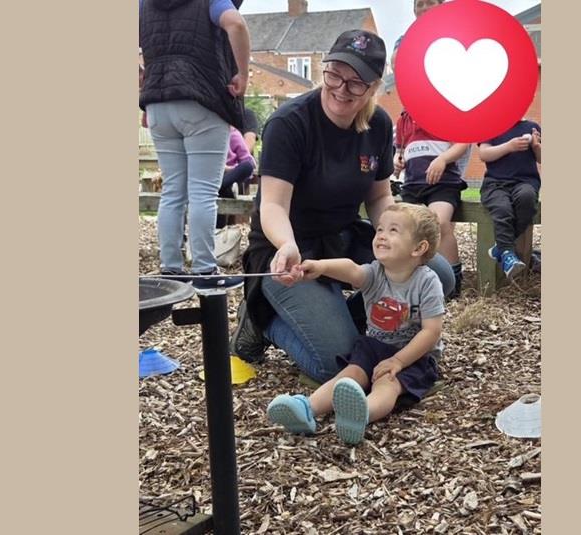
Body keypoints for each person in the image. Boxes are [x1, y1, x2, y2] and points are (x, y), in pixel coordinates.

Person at [230, 29, 455, 382]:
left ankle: (333, 319)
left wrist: (402, 235)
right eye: (334, 73)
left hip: (344, 237)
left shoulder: (378, 124)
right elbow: (272, 205)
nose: (340, 88)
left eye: (356, 82)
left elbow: (379, 197)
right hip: (290, 248)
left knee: (435, 273)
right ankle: (263, 321)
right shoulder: (290, 123)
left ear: (374, 86)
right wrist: (286, 246)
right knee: (334, 366)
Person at [266, 204, 445, 445]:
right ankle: (307, 408)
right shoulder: (375, 273)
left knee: (387, 383)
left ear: (418, 248)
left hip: (413, 356)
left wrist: (398, 361)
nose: (381, 235)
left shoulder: (427, 282)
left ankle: (362, 413)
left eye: (393, 230)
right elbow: (351, 270)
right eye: (379, 228)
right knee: (350, 374)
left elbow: (431, 331)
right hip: (375, 345)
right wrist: (320, 266)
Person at [139, 0, 250, 291]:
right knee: (203, 191)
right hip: (201, 99)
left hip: (158, 103)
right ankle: (205, 271)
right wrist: (243, 74)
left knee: (173, 190)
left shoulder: (144, 4)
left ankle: (171, 270)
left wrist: (144, 81)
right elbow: (236, 24)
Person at [393, 111, 469, 297]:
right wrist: (398, 160)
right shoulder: (403, 120)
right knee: (409, 228)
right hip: (413, 183)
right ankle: (412, 281)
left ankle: (452, 281)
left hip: (443, 183)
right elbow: (400, 150)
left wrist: (442, 159)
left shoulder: (444, 112)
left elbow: (462, 143)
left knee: (440, 223)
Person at [477, 119, 542, 278]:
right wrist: (509, 146)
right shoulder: (490, 126)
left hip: (525, 182)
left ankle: (501, 247)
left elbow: (541, 158)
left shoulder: (531, 127)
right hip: (495, 183)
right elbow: (484, 154)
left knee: (527, 199)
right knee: (502, 208)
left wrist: (536, 146)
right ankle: (507, 253)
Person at [216, 126, 256, 229]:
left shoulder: (233, 133)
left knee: (247, 166)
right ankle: (223, 188)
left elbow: (249, 161)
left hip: (229, 176)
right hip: (211, 176)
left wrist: (228, 168)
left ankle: (220, 187)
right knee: (223, 191)